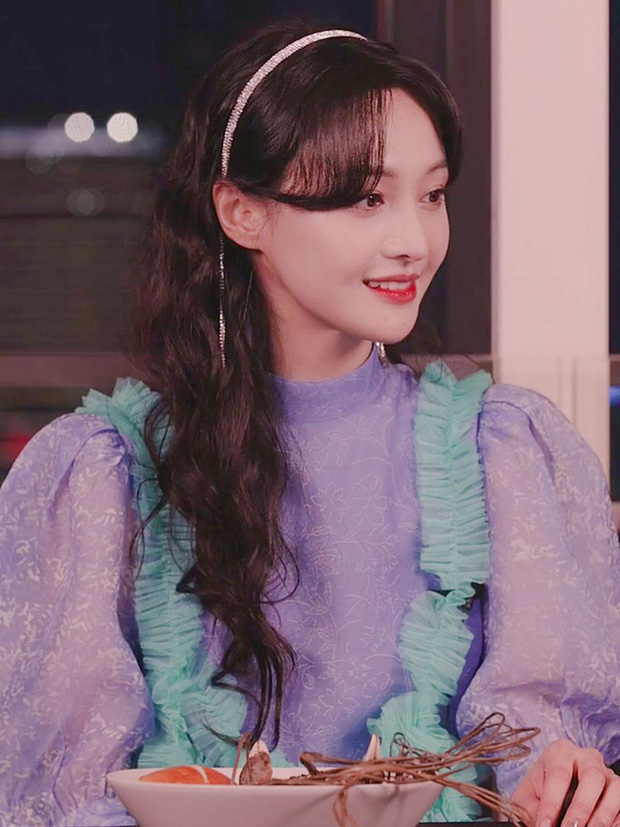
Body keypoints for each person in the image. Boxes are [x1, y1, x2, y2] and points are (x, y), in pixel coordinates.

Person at [1, 19, 619, 827]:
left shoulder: (502, 451)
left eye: (432, 195)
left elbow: (539, 743)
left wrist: (562, 783)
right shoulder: (104, 472)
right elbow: (63, 794)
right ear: (242, 213)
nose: (413, 240)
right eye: (367, 199)